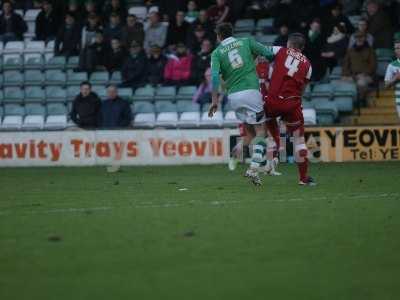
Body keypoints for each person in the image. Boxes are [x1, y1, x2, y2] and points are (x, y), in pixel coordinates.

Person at [208, 23, 275, 186]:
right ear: (232, 33)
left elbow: (215, 77)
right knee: (261, 131)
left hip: (234, 96)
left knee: (250, 134)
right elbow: (269, 54)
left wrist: (215, 101)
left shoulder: (216, 53)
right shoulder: (247, 41)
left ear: (218, 36)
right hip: (251, 91)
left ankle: (236, 154)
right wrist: (253, 58)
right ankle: (253, 167)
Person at [263, 33, 315, 186]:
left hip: (272, 101)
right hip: (292, 104)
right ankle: (303, 178)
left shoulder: (280, 50)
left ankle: (276, 145)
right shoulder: (308, 65)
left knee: (266, 118)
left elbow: (261, 51)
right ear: (302, 48)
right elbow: (303, 89)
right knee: (299, 141)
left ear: (288, 44)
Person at [342, 32, 377, 104]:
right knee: (342, 84)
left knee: (361, 83)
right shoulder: (350, 51)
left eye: (361, 37)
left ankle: (360, 102)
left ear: (364, 38)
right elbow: (345, 65)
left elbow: (373, 66)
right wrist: (347, 75)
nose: (359, 39)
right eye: (357, 37)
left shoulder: (370, 50)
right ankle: (349, 103)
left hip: (366, 76)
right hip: (352, 76)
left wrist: (364, 74)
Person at [384, 41, 400, 119]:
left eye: (398, 48)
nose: (396, 50)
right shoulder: (391, 65)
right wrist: (395, 78)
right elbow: (386, 85)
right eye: (395, 48)